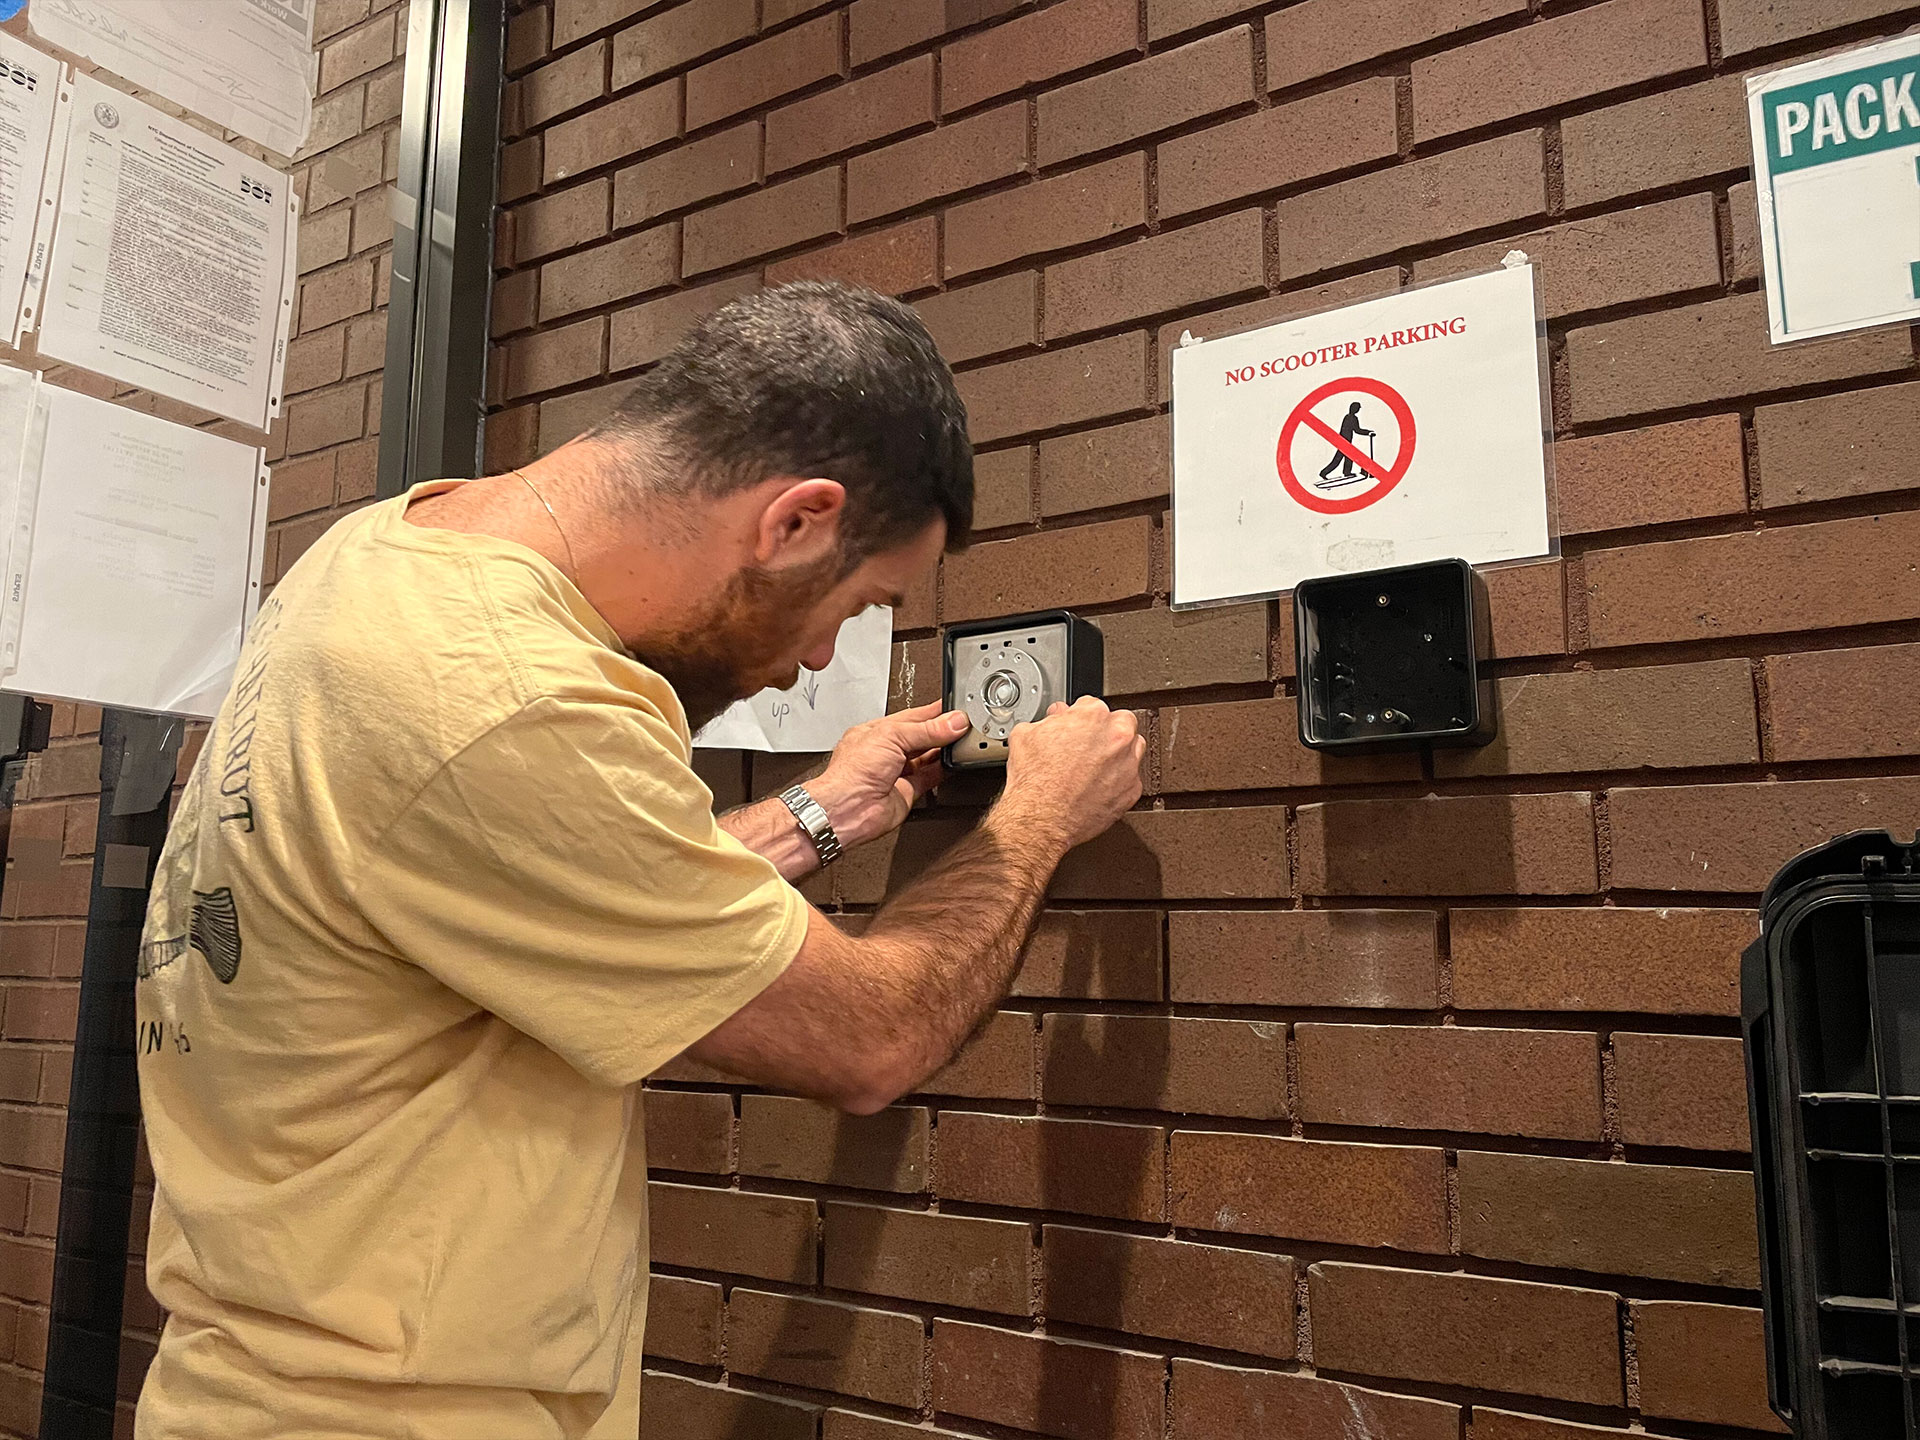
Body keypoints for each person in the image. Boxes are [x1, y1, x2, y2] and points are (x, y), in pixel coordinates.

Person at [132, 282, 1145, 1440]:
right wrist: (1037, 819)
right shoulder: (508, 695)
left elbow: (535, 881)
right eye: (857, 604)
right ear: (796, 522)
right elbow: (870, 1041)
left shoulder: (383, 560)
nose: (822, 656)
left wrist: (816, 816)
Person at [1317, 399, 1375, 484]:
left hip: (1343, 440)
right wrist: (1368, 432)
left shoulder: (1347, 417)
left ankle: (1345, 472)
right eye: (1358, 408)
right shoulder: (1353, 418)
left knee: (1345, 458)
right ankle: (1325, 472)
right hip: (1345, 441)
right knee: (1338, 460)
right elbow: (1357, 430)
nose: (1358, 410)